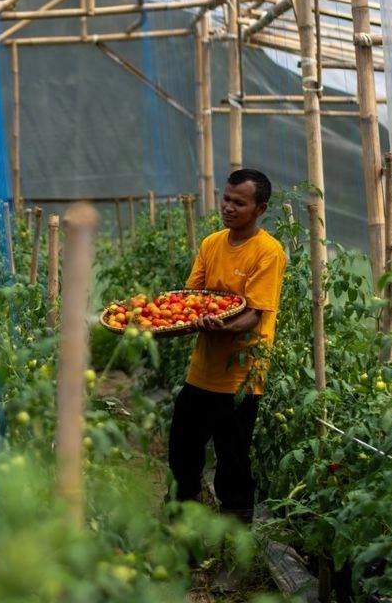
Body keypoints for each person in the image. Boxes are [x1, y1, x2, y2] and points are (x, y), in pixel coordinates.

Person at [167, 168, 287, 524]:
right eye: (226, 199)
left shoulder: (268, 253)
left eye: (239, 202)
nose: (229, 207)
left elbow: (253, 315)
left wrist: (218, 325)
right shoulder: (212, 244)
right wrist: (192, 317)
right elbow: (191, 297)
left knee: (232, 463)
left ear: (260, 208)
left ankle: (236, 552)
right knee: (182, 457)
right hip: (202, 372)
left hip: (242, 377)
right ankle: (182, 541)